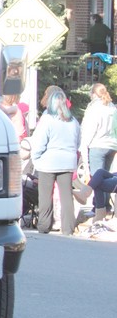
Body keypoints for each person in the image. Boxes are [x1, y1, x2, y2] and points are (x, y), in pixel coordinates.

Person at [28, 87, 80, 235]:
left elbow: (39, 142)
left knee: (45, 195)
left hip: (48, 162)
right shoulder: (73, 121)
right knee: (66, 196)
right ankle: (68, 228)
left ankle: (44, 226)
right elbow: (78, 142)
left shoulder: (47, 119)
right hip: (68, 162)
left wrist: (36, 157)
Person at [79, 83, 117, 177]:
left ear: (94, 94)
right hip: (112, 146)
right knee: (107, 179)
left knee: (98, 181)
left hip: (98, 145)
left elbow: (90, 129)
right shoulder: (112, 106)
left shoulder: (94, 108)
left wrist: (83, 146)